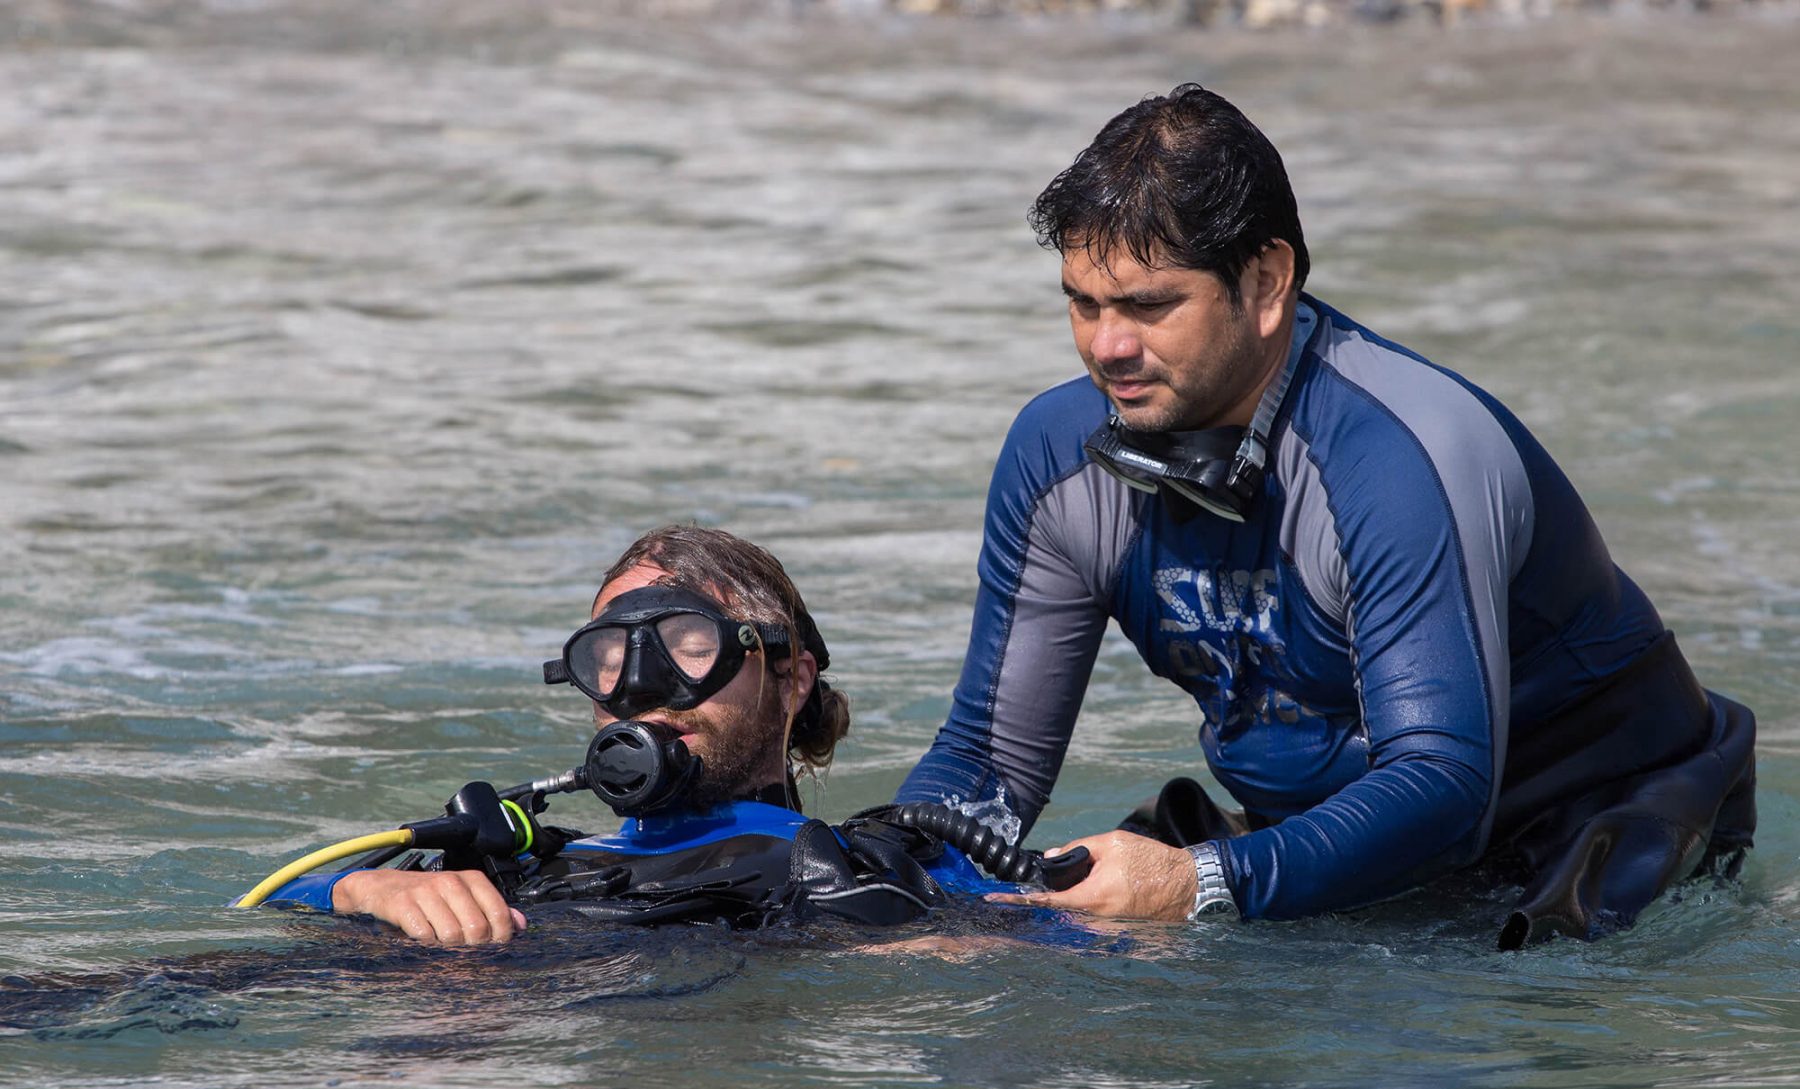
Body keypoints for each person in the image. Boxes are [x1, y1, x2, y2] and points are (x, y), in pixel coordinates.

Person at [894, 84, 1757, 948]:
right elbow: (989, 762)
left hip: (1589, 829)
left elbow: (1442, 783)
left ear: (1267, 283)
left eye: (1150, 306)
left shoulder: (1401, 460)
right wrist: (895, 863)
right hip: (1324, 840)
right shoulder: (1056, 456)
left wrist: (1196, 882)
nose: (1107, 346)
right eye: (1084, 303)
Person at [261, 525, 993, 944]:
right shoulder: (525, 865)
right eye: (610, 658)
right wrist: (359, 891)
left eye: (690, 645)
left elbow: (1055, 935)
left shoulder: (871, 865)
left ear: (792, 680)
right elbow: (264, 909)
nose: (643, 687)